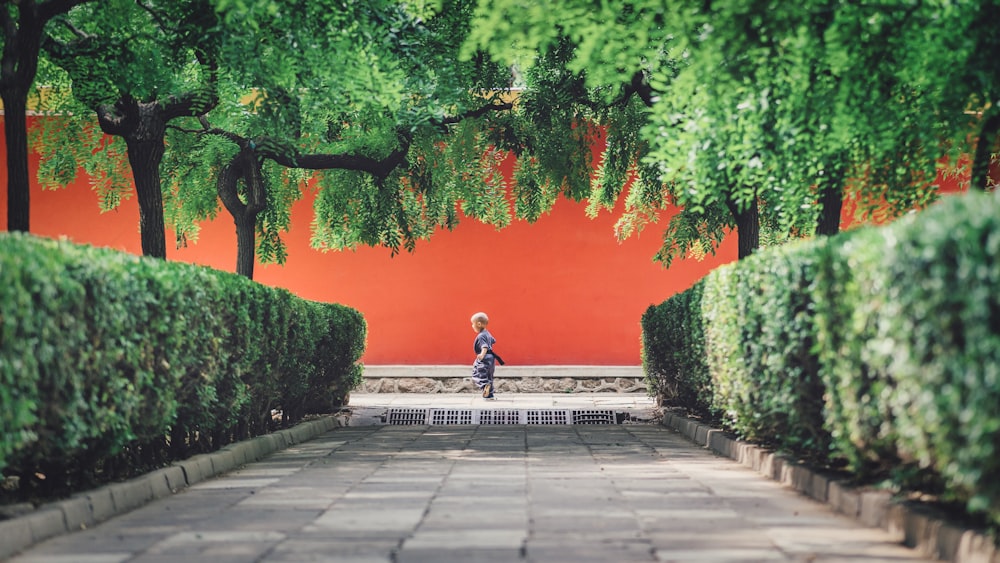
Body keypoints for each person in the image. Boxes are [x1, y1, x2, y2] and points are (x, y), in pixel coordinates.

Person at [471, 311, 500, 400]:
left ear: (479, 324)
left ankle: (484, 385)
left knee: (477, 373)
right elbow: (493, 340)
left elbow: (484, 346)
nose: (472, 326)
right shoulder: (487, 333)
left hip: (484, 357)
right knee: (489, 375)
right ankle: (489, 395)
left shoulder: (481, 336)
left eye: (473, 324)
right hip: (491, 357)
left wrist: (482, 354)